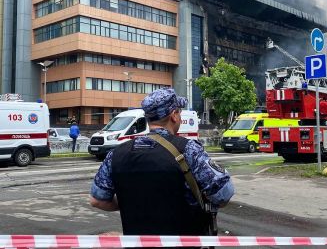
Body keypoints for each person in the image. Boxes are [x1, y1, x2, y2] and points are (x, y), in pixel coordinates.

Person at [89, 88, 234, 236]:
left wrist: (134, 204)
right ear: (174, 115)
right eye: (179, 111)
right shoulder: (189, 150)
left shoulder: (116, 154)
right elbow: (224, 193)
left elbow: (97, 199)